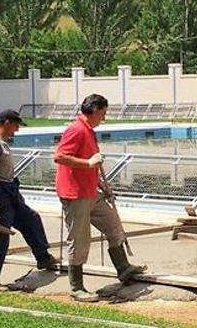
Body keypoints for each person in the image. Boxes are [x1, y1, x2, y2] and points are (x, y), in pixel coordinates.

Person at [53, 94, 146, 302]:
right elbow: (59, 157)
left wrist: (101, 184)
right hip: (75, 195)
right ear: (94, 110)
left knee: (114, 226)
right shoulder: (76, 130)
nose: (104, 118)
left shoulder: (89, 131)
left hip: (91, 191)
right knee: (79, 240)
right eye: (103, 113)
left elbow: (92, 163)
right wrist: (88, 163)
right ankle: (76, 287)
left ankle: (123, 268)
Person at [0, 109, 58, 291]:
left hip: (10, 192)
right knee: (0, 236)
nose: (17, 130)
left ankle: (43, 258)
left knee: (31, 219)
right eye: (15, 125)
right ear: (6, 122)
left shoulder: (2, 144)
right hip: (0, 194)